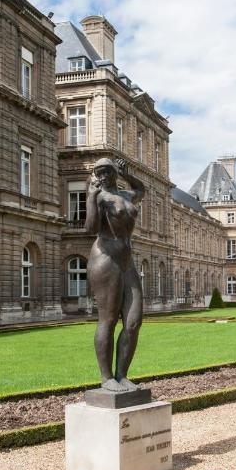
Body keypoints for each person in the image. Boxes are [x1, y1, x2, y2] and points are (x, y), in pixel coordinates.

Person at [85, 157, 145, 392]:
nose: (103, 176)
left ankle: (122, 375)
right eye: (99, 172)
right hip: (105, 258)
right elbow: (90, 229)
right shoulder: (99, 197)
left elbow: (140, 190)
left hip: (127, 261)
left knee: (133, 321)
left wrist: (127, 174)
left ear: (114, 172)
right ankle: (106, 377)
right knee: (108, 320)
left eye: (107, 171)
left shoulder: (127, 196)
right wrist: (90, 198)